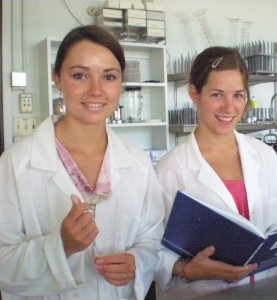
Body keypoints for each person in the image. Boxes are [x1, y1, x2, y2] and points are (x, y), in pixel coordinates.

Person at [0, 25, 164, 300]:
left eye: (109, 77)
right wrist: (60, 246)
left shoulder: (136, 162)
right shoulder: (16, 163)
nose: (96, 90)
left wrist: (137, 261)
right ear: (57, 79)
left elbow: (152, 239)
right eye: (80, 75)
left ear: (120, 83)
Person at [155, 46, 277, 299]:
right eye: (216, 94)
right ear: (194, 93)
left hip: (270, 289)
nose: (229, 107)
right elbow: (153, 248)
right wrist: (187, 269)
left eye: (238, 95)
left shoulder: (264, 155)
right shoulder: (170, 169)